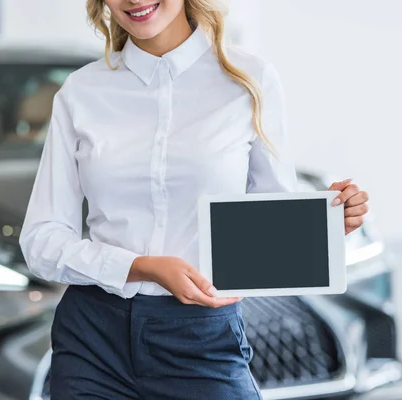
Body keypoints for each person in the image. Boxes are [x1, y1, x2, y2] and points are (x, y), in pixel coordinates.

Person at [19, 0, 370, 399]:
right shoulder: (82, 91)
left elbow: (271, 216)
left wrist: (318, 224)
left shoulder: (248, 81)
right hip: (92, 340)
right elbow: (41, 241)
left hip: (201, 336)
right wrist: (141, 267)